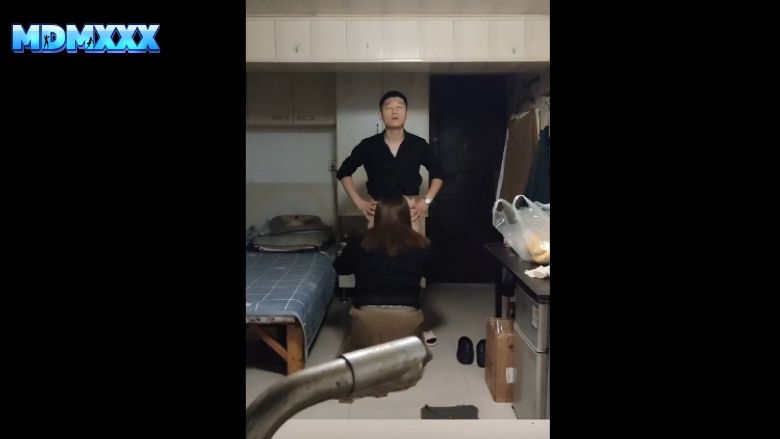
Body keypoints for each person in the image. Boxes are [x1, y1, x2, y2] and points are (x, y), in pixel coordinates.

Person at [336, 90, 445, 234]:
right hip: (379, 209)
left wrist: (427, 201)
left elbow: (439, 173)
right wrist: (359, 202)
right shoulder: (368, 145)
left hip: (410, 209)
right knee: (376, 248)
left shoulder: (418, 144)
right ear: (380, 115)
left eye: (399, 107)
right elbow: (344, 172)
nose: (394, 111)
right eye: (388, 108)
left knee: (411, 248)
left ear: (407, 114)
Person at [333, 196, 432, 352]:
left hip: (366, 317)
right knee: (412, 357)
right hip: (407, 317)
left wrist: (368, 233)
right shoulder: (420, 243)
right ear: (407, 216)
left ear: (376, 216)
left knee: (355, 356)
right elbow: (436, 273)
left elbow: (340, 268)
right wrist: (417, 234)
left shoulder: (360, 242)